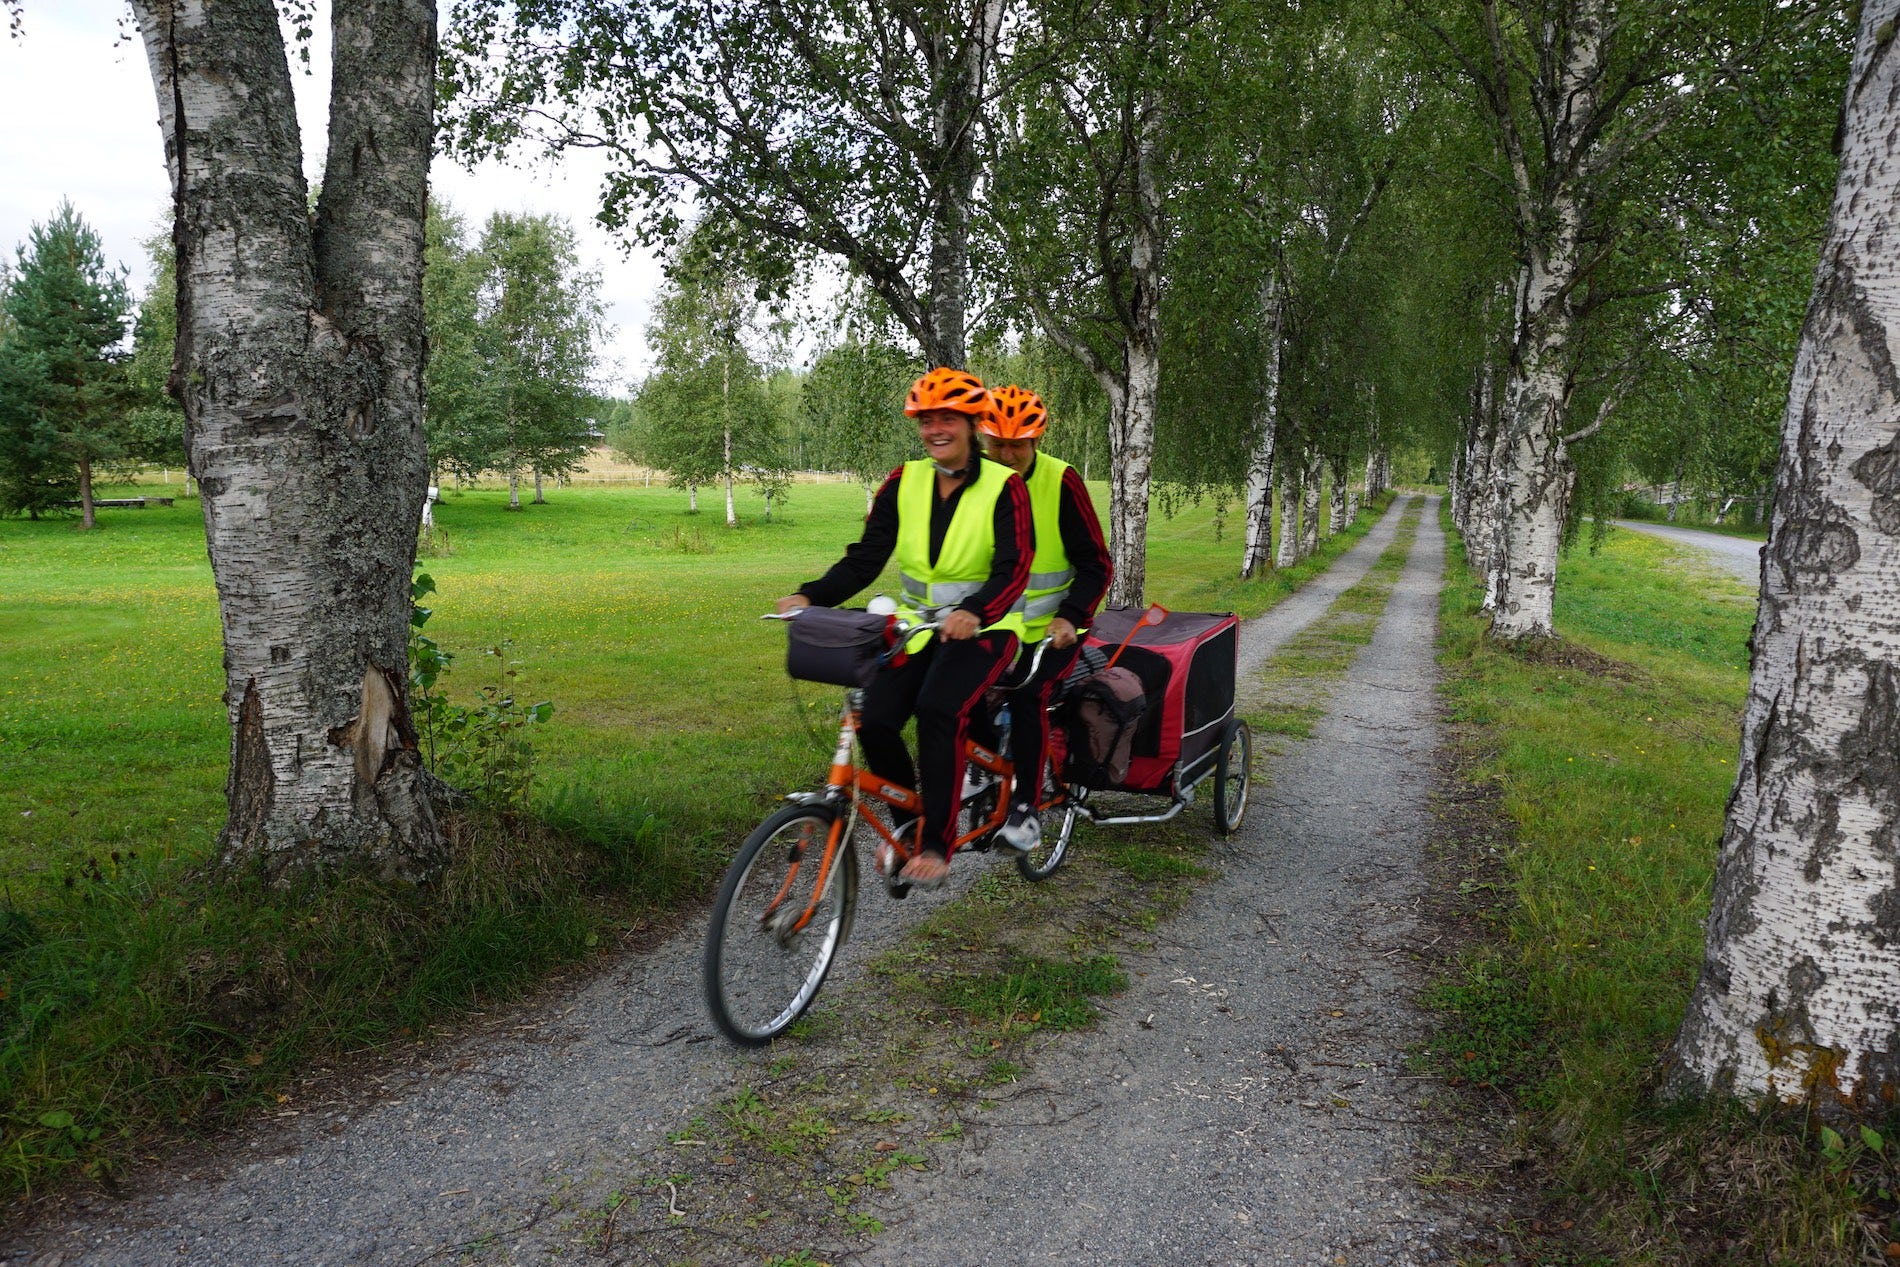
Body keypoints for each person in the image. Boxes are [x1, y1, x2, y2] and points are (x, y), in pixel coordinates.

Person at [776, 368, 1031, 888]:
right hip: (917, 629)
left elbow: (1015, 566)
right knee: (875, 718)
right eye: (926, 420)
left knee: (939, 709)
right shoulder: (904, 481)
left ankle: (937, 846)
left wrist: (976, 611)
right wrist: (812, 595)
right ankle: (911, 830)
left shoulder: (1004, 487)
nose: (936, 429)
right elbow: (867, 557)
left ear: (970, 422)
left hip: (990, 630)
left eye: (948, 419)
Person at [978, 385, 1112, 854]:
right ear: (983, 437)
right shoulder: (972, 483)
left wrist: (1070, 617)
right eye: (997, 442)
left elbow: (1097, 564)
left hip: (1051, 629)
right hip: (994, 628)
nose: (1008, 453)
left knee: (1030, 695)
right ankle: (983, 771)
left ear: (1036, 440)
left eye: (1019, 443)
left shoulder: (1060, 481)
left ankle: (1026, 811)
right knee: (956, 690)